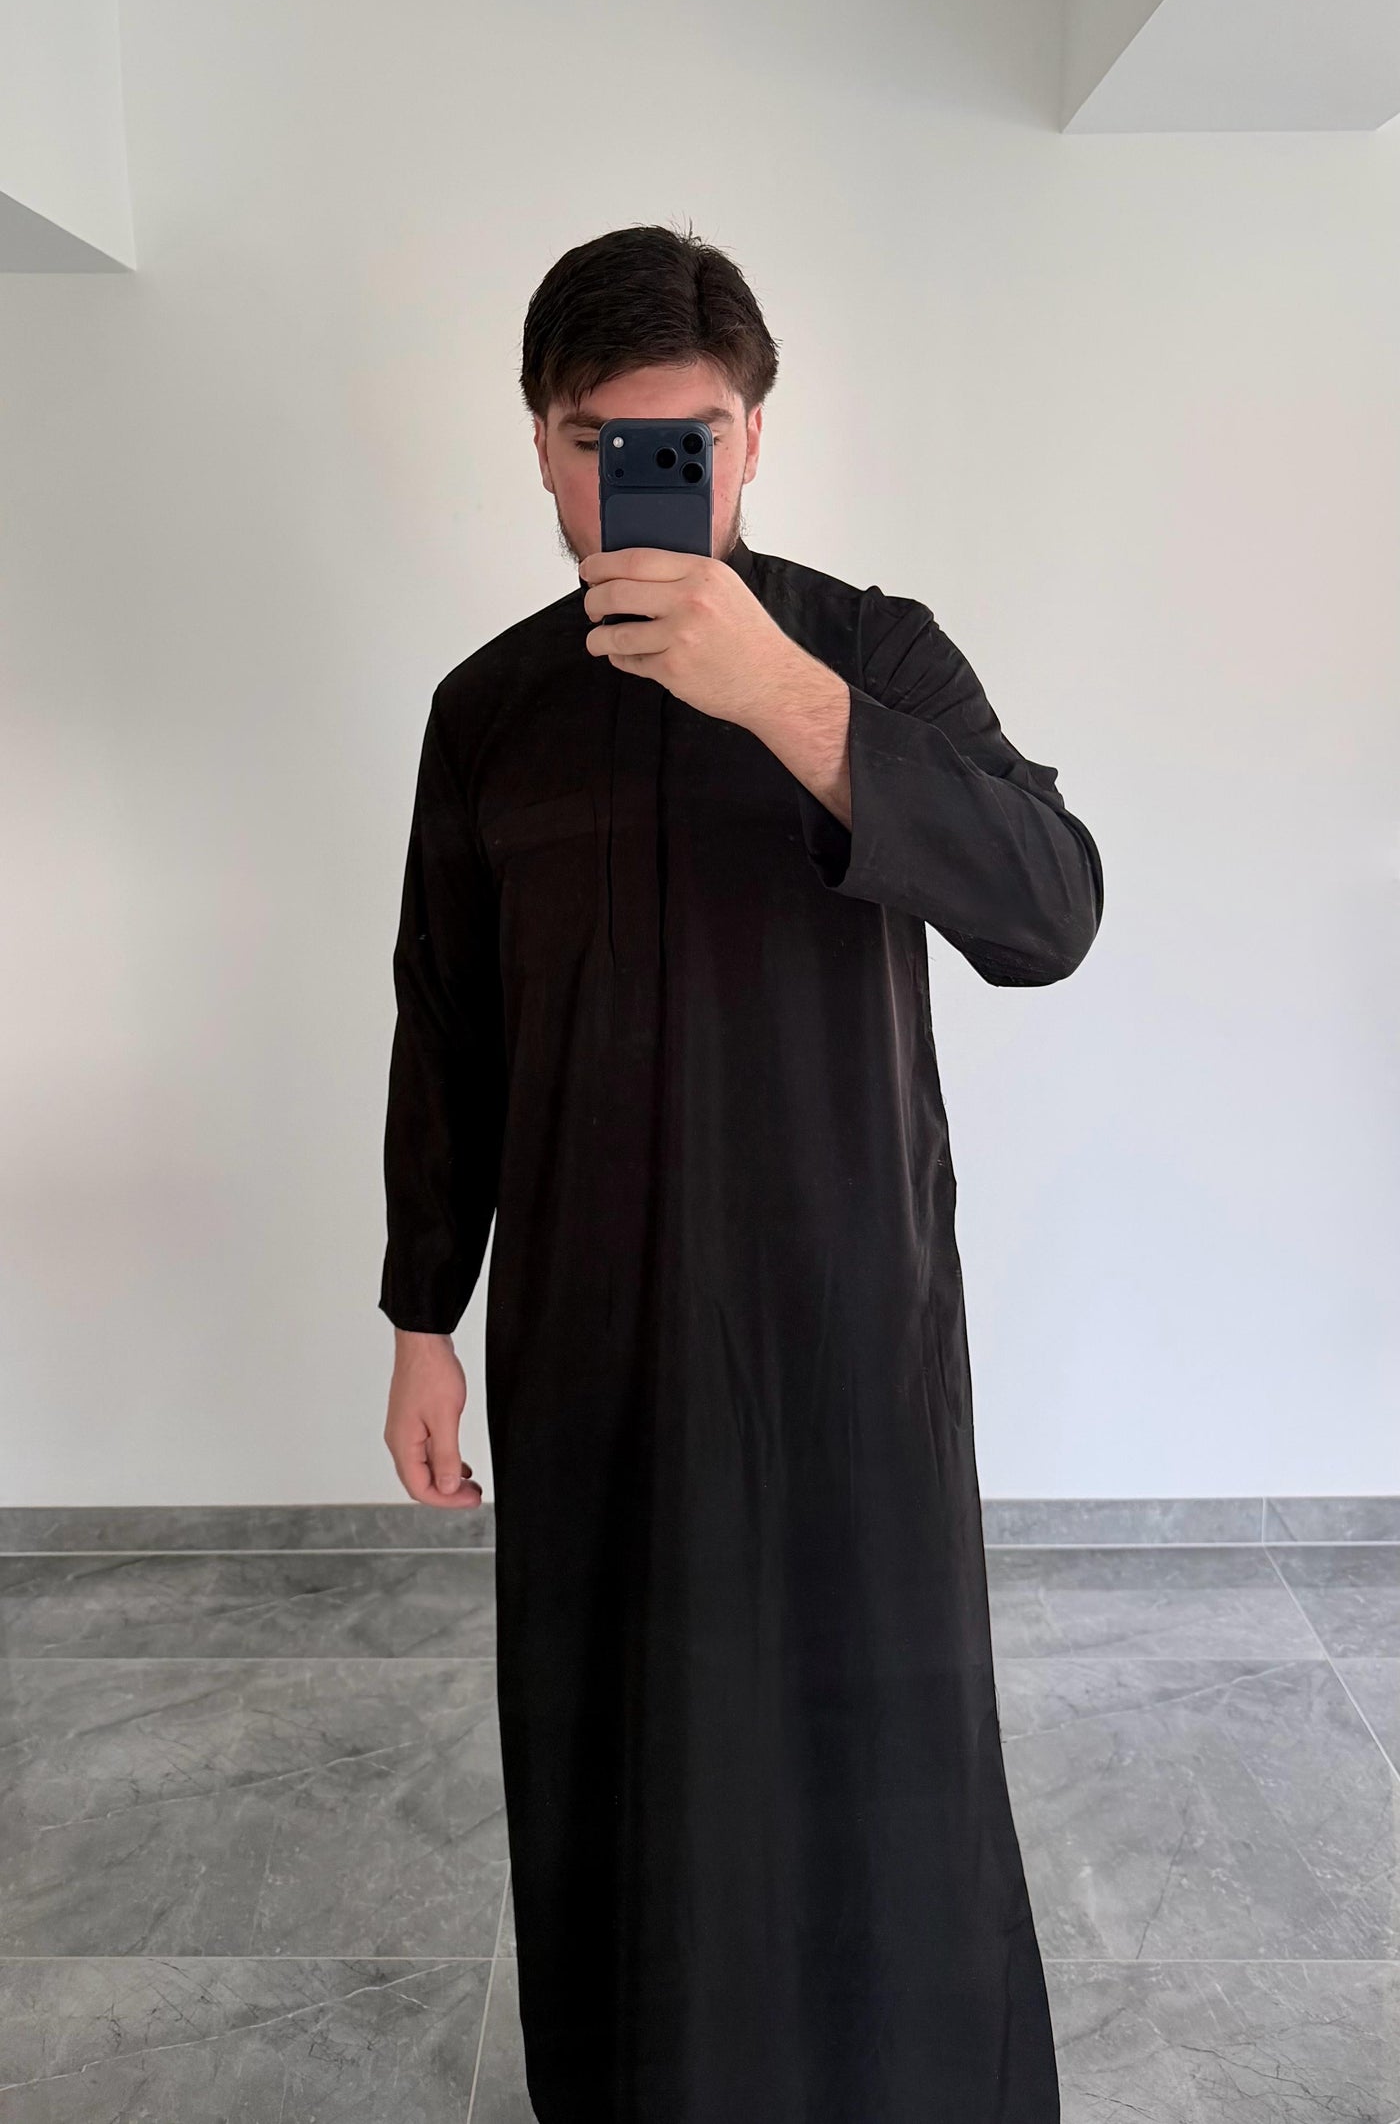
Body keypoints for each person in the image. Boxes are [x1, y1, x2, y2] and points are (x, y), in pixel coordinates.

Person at [377, 221, 1103, 2122]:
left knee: (885, 1760)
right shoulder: (488, 712)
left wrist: (788, 700)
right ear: (541, 444)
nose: (643, 479)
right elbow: (445, 1023)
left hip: (841, 1332)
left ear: (756, 437)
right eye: (599, 441)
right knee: (617, 1765)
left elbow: (1052, 910)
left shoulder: (872, 654)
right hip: (592, 1348)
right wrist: (420, 1316)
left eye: (686, 440)